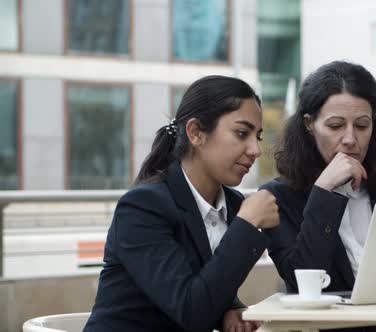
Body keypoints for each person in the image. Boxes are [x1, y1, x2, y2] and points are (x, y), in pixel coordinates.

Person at [84, 75, 279, 332]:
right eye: (242, 133)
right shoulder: (143, 207)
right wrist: (246, 224)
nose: (255, 150)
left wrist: (231, 307)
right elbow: (190, 311)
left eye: (258, 137)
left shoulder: (231, 204)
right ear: (196, 133)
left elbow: (205, 280)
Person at [260, 61, 376, 332]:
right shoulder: (278, 197)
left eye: (362, 125)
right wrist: (323, 191)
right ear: (310, 124)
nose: (350, 139)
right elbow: (301, 282)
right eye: (335, 126)